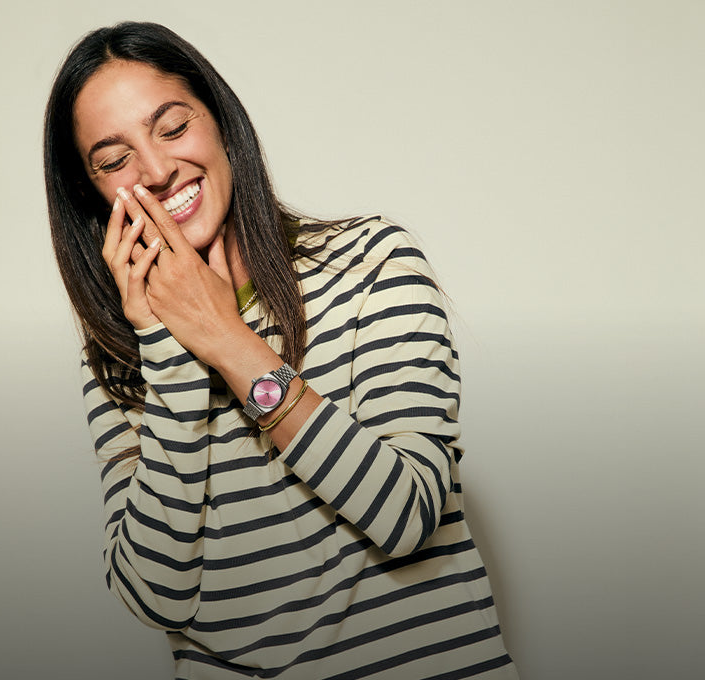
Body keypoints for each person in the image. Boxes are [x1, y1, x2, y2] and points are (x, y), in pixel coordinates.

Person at [44, 21, 519, 680]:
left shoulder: (369, 263)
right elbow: (157, 597)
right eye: (115, 159)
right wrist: (168, 351)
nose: (156, 171)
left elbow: (407, 514)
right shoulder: (118, 357)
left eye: (173, 127)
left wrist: (223, 337)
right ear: (91, 192)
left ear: (220, 122)